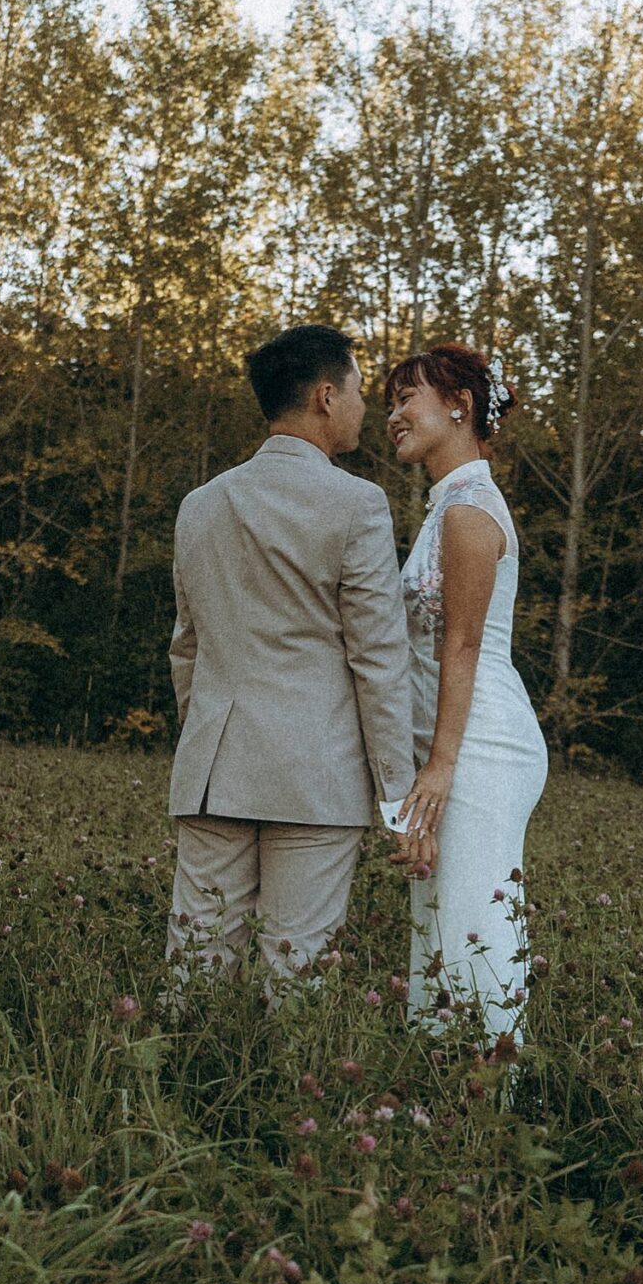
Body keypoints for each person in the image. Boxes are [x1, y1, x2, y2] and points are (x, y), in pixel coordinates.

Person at [166, 324, 415, 994]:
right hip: (316, 775)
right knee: (297, 972)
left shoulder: (200, 505)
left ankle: (178, 1061)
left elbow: (187, 647)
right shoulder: (358, 504)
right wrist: (398, 795)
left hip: (213, 767)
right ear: (327, 397)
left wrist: (204, 736)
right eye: (358, 390)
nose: (364, 406)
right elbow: (378, 659)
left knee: (196, 961)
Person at [383, 345, 549, 1050]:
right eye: (389, 403)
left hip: (481, 745)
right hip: (452, 739)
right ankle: (441, 1088)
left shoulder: (470, 510)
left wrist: (440, 766)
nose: (393, 416)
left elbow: (464, 646)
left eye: (407, 399)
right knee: (439, 929)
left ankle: (495, 1094)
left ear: (461, 406)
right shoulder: (446, 505)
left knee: (474, 928)